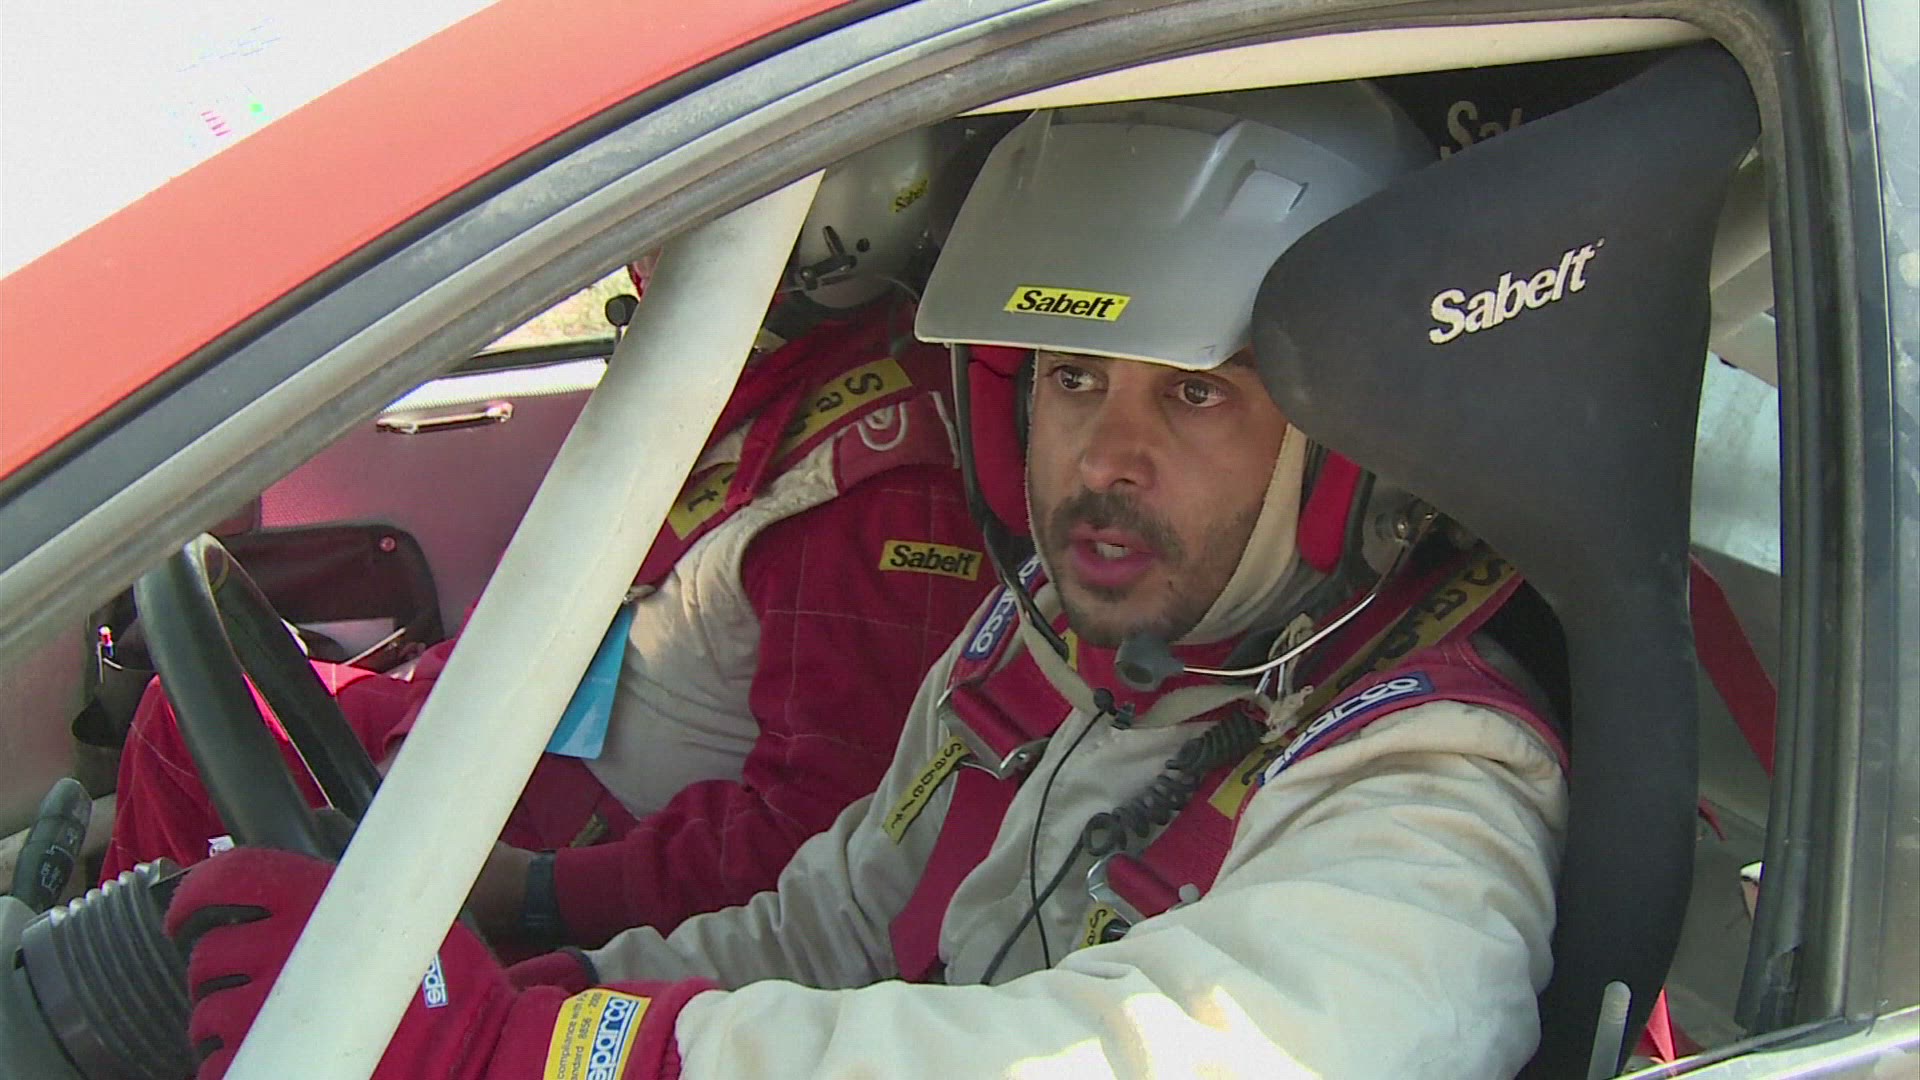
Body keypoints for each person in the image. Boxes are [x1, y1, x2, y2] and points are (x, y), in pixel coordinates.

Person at [165, 81, 1569, 1078]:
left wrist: (548, 1059)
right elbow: (826, 924)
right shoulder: (1035, 652)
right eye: (1073, 379)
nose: (1105, 458)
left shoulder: (1436, 783)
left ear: (1346, 447)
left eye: (1194, 394)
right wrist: (545, 1003)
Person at [106, 128, 998, 950]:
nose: (643, 253)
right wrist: (436, 724)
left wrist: (533, 892)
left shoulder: (886, 492)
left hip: (568, 852)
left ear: (829, 231)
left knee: (194, 739)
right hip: (514, 754)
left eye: (691, 220)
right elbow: (573, 596)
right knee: (185, 716)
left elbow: (822, 838)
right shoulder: (735, 381)